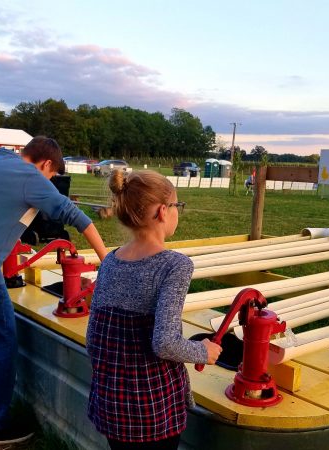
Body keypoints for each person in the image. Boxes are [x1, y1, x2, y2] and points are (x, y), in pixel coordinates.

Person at [0, 137, 108, 446]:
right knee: (0, 346)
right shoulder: (31, 177)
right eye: (52, 177)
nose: (50, 183)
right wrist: (109, 262)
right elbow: (76, 218)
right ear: (46, 165)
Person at [86, 170, 222, 450]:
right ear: (163, 211)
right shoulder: (174, 265)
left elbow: (93, 338)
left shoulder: (110, 260)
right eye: (177, 206)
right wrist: (203, 352)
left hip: (111, 406)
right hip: (152, 411)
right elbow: (164, 344)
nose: (177, 212)